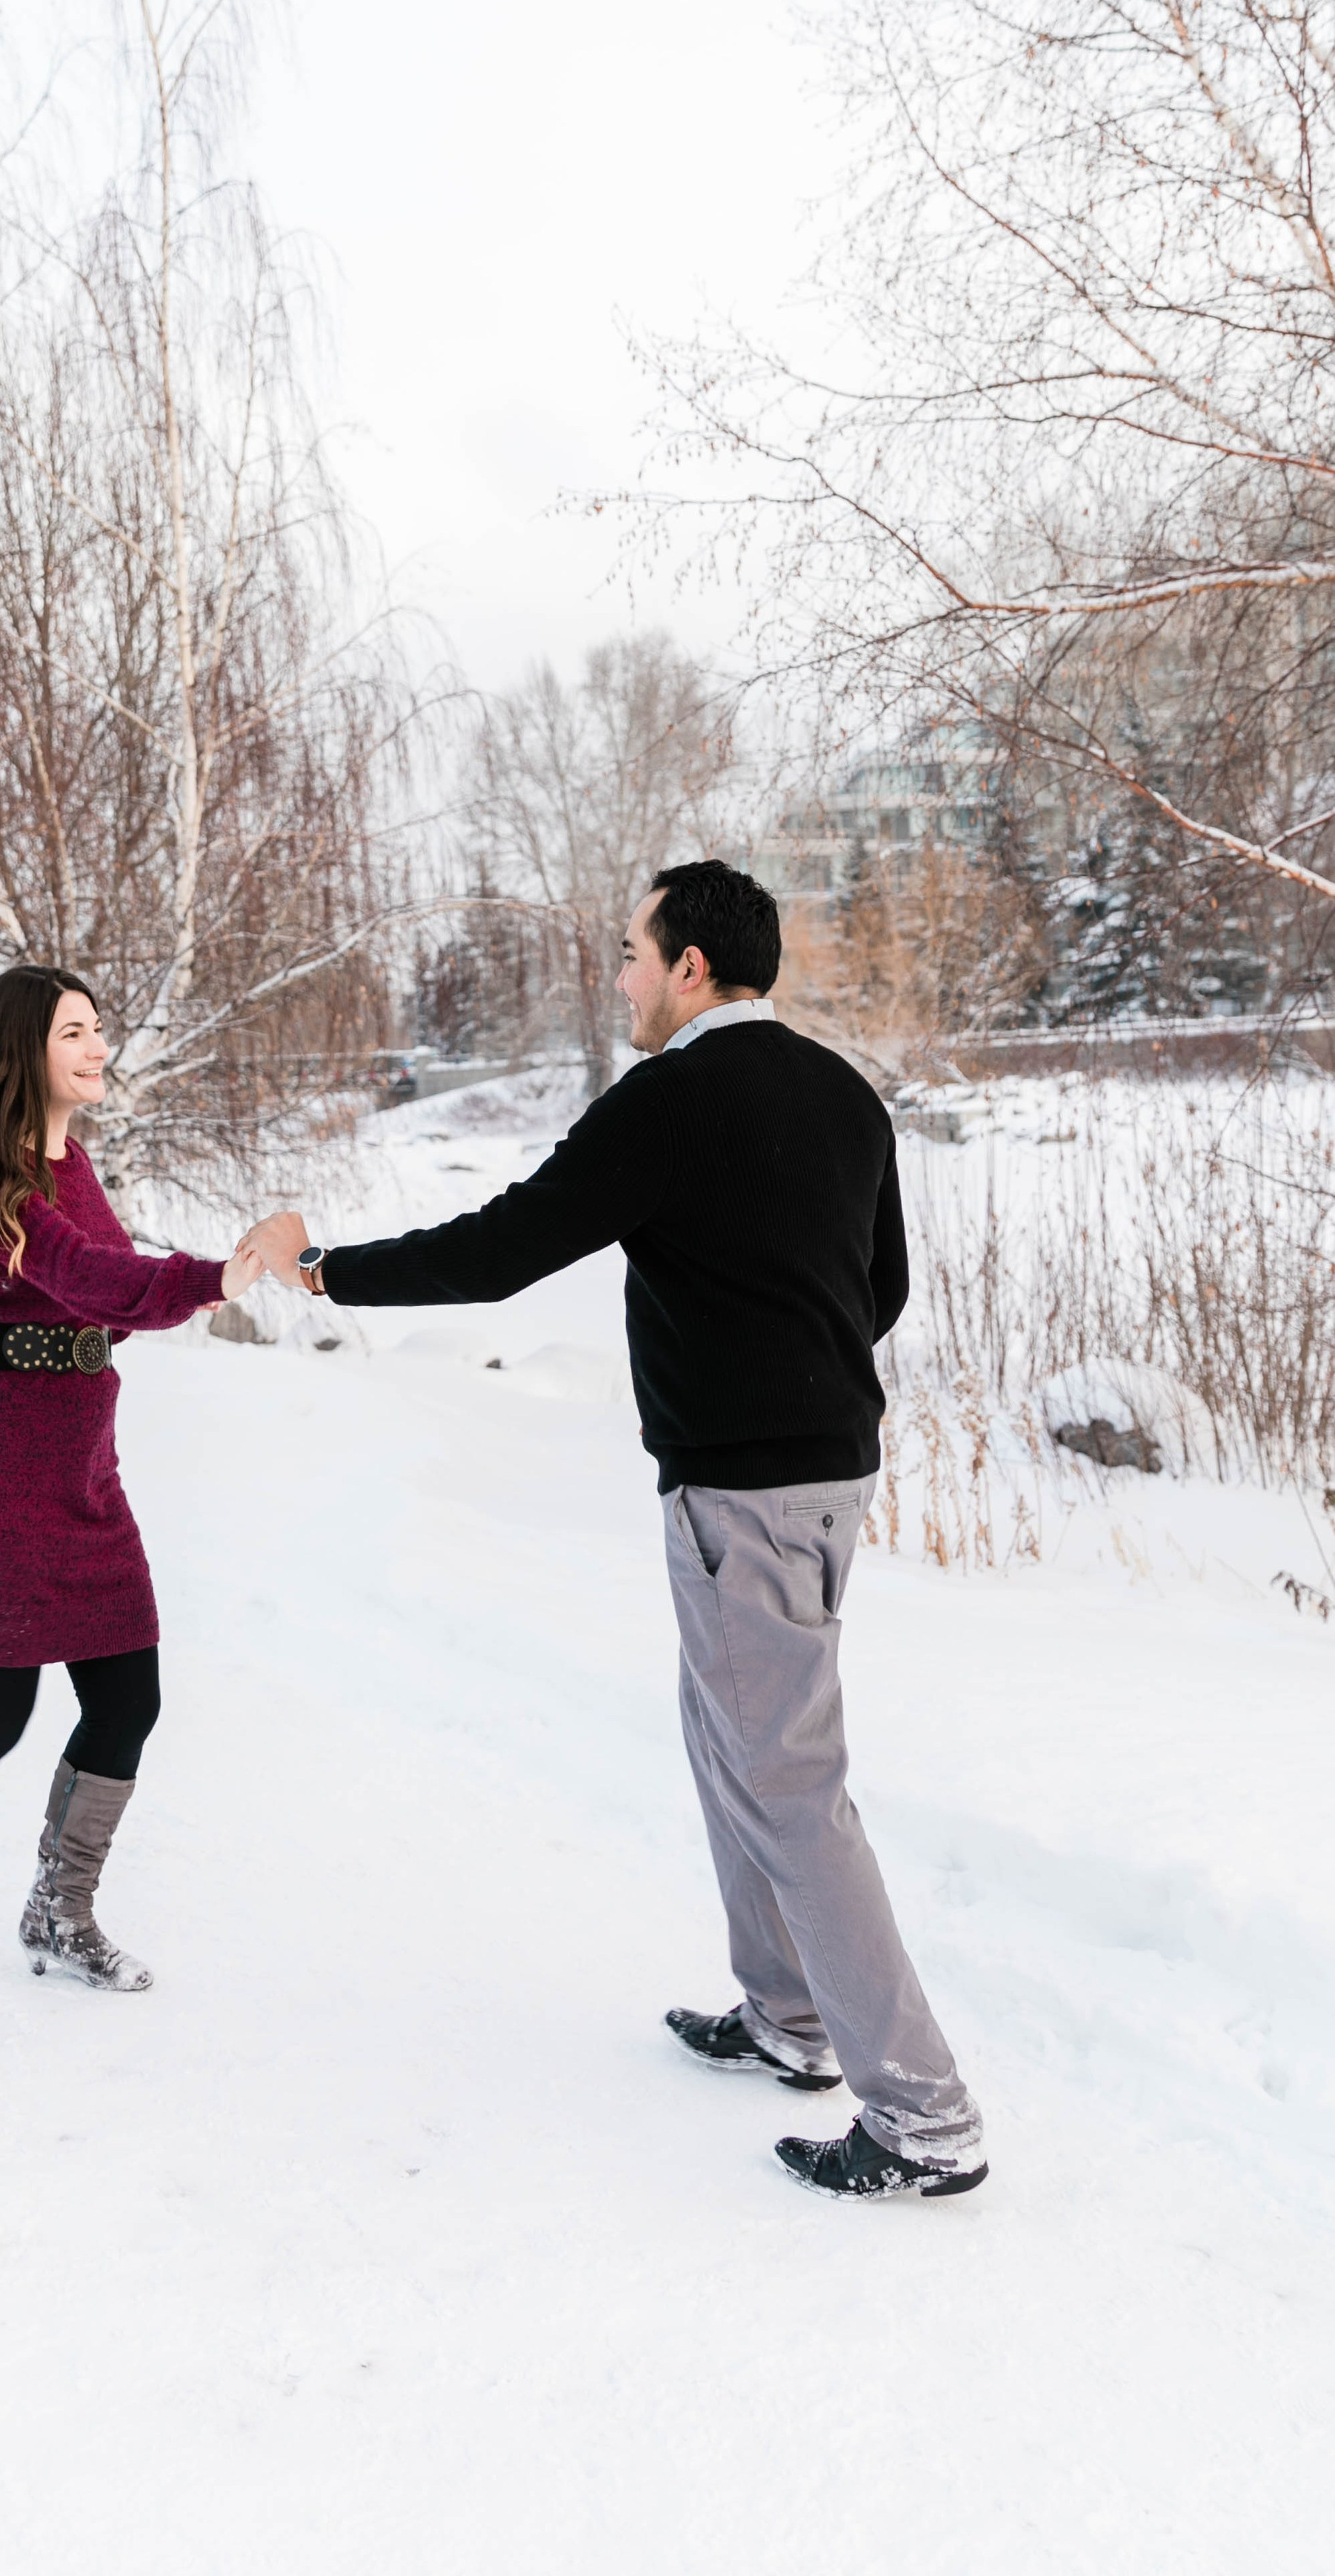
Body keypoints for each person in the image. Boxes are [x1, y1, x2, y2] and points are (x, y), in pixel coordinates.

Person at [245, 861, 987, 2200]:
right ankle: (789, 2016)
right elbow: (878, 1289)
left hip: (745, 1494)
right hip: (824, 1475)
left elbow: (498, 1253)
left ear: (692, 966)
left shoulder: (669, 1100)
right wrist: (771, 1345)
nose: (626, 979)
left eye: (636, 955)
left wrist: (321, 1270)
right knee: (730, 1742)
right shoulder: (842, 1091)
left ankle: (924, 2115)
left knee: (786, 1781)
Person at [0, 964, 262, 1995]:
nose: (99, 1048)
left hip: (84, 1486)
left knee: (129, 1701)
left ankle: (59, 1912)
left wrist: (179, 1289)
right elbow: (90, 1278)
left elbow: (106, 1302)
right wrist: (208, 1279)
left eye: (98, 1028)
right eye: (74, 1032)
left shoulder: (69, 1162)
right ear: (24, 1049)